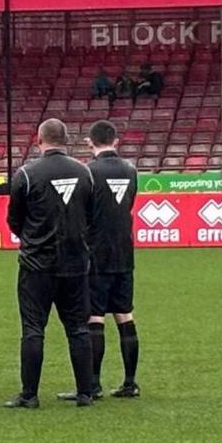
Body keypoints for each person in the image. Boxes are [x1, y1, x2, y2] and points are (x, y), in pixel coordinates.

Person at [4, 119, 99, 409]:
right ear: (67, 139)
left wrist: (33, 239)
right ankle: (85, 392)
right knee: (79, 328)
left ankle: (29, 395)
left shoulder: (27, 174)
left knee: (33, 329)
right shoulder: (85, 173)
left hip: (36, 265)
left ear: (39, 140)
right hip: (75, 264)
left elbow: (14, 219)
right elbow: (91, 216)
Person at [77, 120, 141, 400]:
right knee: (124, 314)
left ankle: (93, 384)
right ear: (116, 141)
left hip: (96, 253)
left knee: (95, 317)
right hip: (124, 251)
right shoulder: (130, 170)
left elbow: (83, 212)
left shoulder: (88, 172)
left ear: (90, 142)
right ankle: (130, 382)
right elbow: (130, 204)